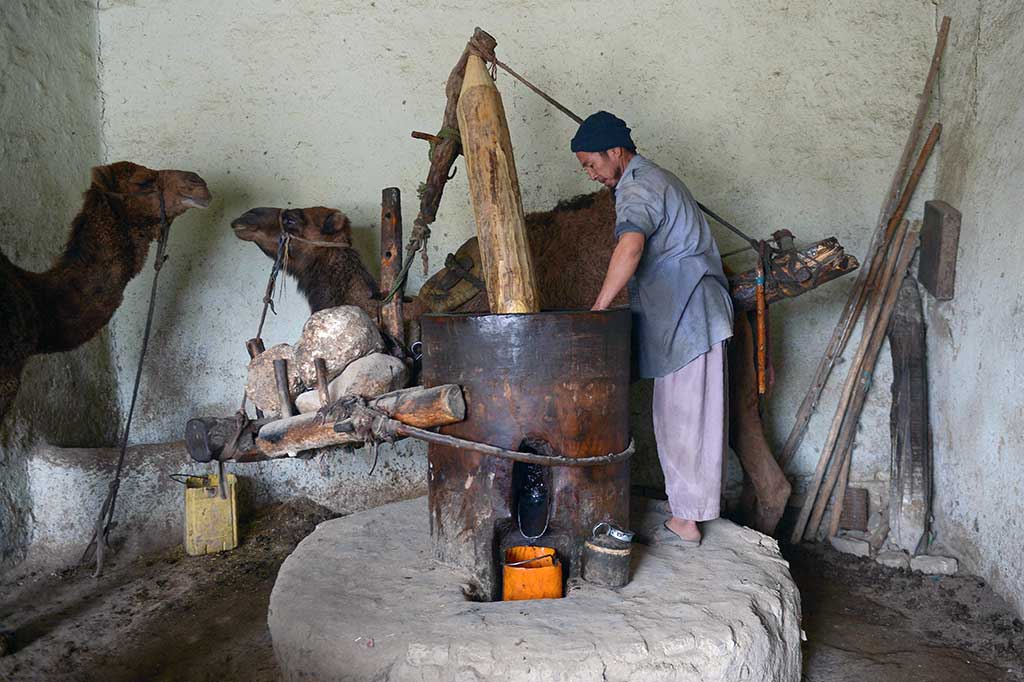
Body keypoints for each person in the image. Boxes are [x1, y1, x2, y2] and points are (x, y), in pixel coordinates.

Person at [574, 111, 733, 546]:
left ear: (615, 152)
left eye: (592, 164)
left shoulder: (638, 186)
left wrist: (599, 308)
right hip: (690, 312)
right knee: (681, 416)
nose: (591, 174)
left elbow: (630, 247)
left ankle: (687, 520)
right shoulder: (655, 178)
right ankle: (688, 513)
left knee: (684, 419)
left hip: (689, 313)